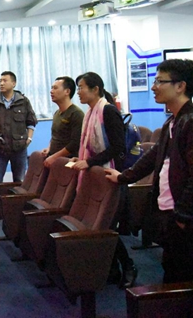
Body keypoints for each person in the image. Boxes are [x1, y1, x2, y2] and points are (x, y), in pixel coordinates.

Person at [105, 59, 193, 284]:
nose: (154, 87)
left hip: (183, 217)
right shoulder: (173, 122)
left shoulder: (189, 122)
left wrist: (182, 217)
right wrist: (124, 177)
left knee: (181, 278)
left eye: (160, 81)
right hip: (169, 211)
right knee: (172, 271)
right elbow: (153, 157)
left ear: (180, 86)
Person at [70, 71, 137, 288]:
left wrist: (89, 162)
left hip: (110, 175)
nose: (78, 92)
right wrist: (83, 159)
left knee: (105, 225)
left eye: (81, 87)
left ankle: (128, 265)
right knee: (99, 225)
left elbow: (118, 148)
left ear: (96, 89)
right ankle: (112, 269)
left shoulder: (107, 110)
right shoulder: (90, 112)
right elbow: (90, 146)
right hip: (97, 174)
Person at [0, 71, 37, 226]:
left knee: (20, 182)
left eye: (5, 80)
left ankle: (19, 215)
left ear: (13, 83)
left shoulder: (23, 101)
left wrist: (29, 138)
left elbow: (31, 121)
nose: (1, 83)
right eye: (0, 80)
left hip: (19, 149)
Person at [41, 76, 84, 166]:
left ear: (67, 91)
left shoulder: (76, 114)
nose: (51, 91)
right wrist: (49, 148)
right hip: (54, 160)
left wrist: (55, 157)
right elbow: (55, 135)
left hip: (67, 162)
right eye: (52, 88)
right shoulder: (57, 113)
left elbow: (75, 143)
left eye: (55, 88)